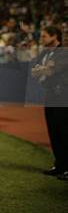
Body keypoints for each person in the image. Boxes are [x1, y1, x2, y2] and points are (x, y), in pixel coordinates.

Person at [31, 25, 68, 181]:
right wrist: (43, 69)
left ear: (54, 36)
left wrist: (44, 70)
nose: (42, 39)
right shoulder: (45, 53)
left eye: (45, 36)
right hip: (51, 95)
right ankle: (59, 165)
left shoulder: (64, 52)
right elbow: (35, 71)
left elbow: (51, 70)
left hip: (63, 96)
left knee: (65, 132)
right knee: (54, 131)